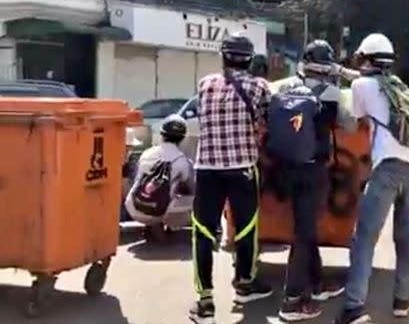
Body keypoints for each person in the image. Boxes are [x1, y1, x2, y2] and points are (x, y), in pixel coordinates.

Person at [335, 33, 409, 324]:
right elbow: (369, 85)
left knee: (364, 237)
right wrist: (341, 73)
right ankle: (402, 300)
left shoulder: (362, 86)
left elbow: (351, 121)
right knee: (404, 235)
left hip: (387, 169)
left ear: (366, 58)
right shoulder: (399, 86)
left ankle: (353, 306)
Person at [189, 34, 273, 324]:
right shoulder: (259, 86)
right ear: (249, 59)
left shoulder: (205, 84)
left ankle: (205, 302)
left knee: (203, 232)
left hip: (207, 169)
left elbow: (203, 117)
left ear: (223, 56)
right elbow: (267, 122)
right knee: (246, 228)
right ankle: (245, 283)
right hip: (242, 169)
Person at [273, 40, 357, 322]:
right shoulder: (333, 93)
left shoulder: (285, 87)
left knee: (304, 227)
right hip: (314, 170)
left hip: (285, 168)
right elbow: (350, 124)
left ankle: (318, 283)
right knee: (304, 232)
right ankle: (292, 300)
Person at [124, 115, 194, 241]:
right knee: (194, 198)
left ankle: (150, 224)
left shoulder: (147, 153)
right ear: (182, 139)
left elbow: (136, 179)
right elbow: (191, 188)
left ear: (161, 135)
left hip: (133, 207)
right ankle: (162, 224)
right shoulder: (183, 161)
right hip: (158, 210)